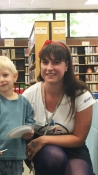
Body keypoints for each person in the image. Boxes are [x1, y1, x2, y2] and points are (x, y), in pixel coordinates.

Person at [23, 40, 96, 175]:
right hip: (42, 150)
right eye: (45, 62)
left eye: (56, 62)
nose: (49, 67)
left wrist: (44, 139)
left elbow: (79, 138)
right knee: (54, 157)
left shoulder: (81, 94)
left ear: (66, 65)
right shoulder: (29, 95)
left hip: (72, 146)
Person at [0, 56, 35, 175]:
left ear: (14, 76)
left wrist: (29, 132)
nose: (2, 79)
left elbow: (29, 123)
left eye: (5, 75)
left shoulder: (24, 102)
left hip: (16, 157)